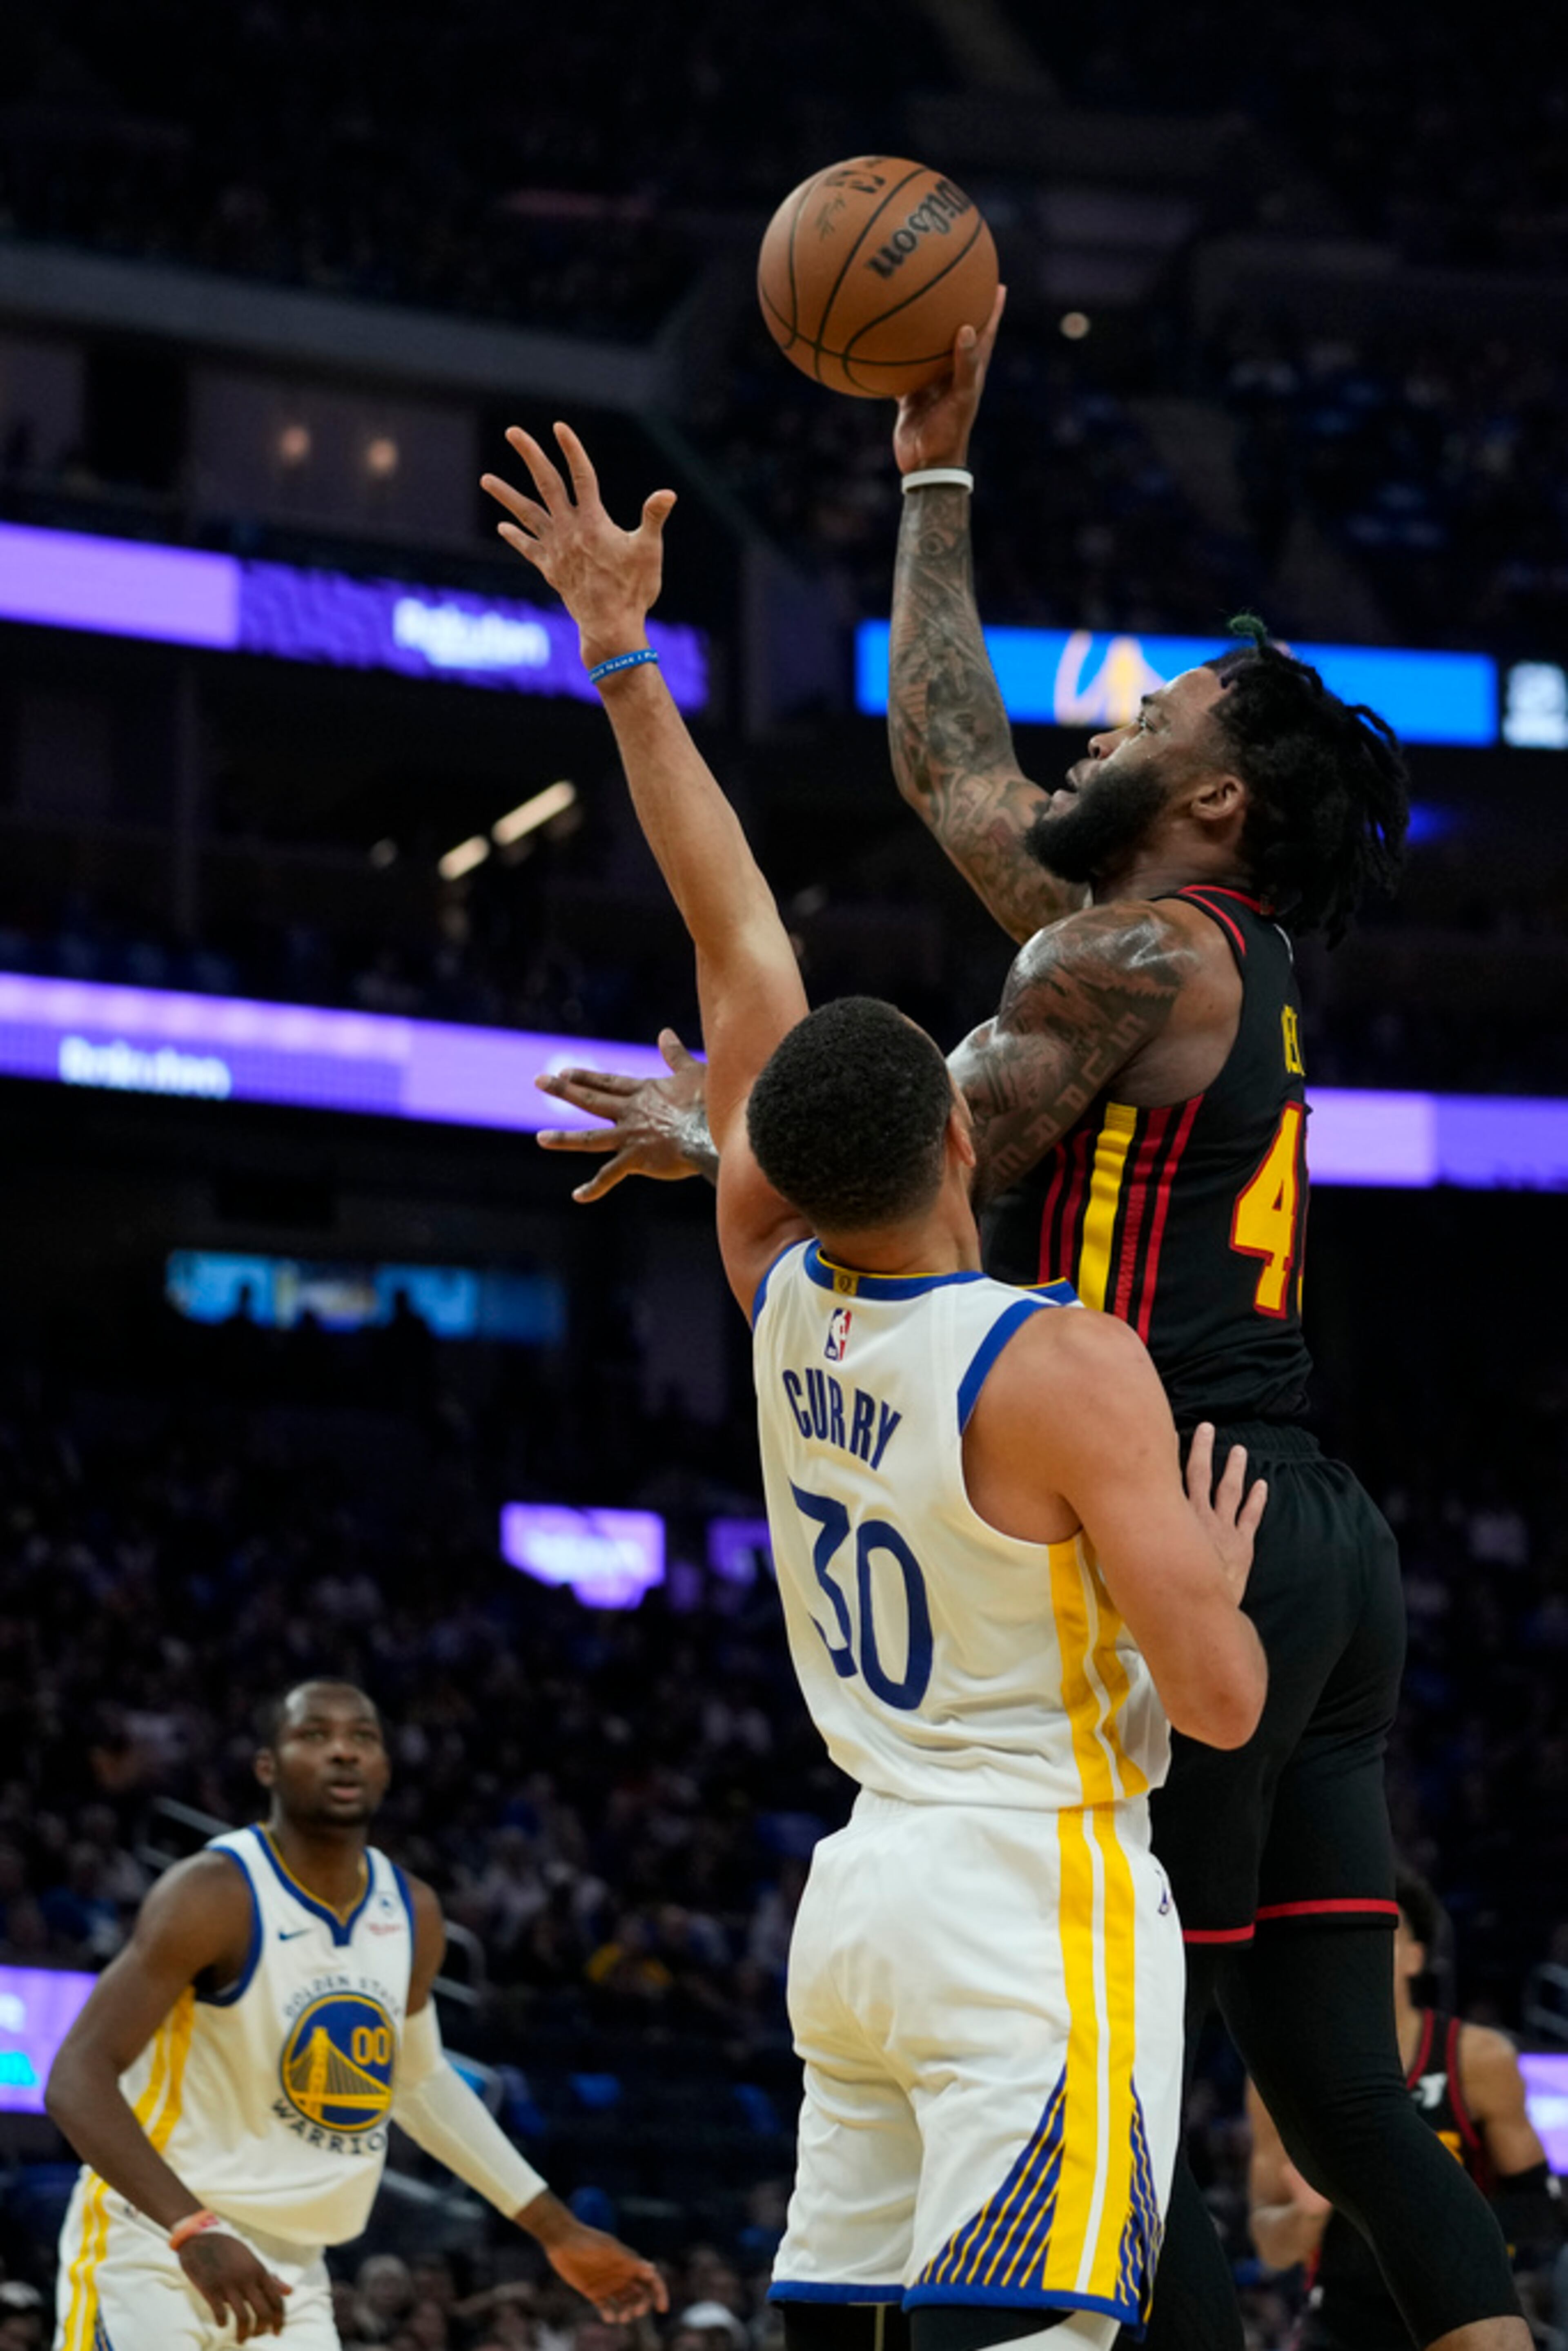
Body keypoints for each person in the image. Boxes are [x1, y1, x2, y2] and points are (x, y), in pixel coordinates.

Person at [520, 310, 1530, 2351]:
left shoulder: (1124, 953)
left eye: (1158, 706)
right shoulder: (1175, 946)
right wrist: (932, 475)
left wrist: (734, 1115)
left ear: (1221, 800)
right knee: (1348, 2086)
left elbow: (904, 1133)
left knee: (1128, 2071)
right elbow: (952, 770)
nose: (1117, 713)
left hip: (1167, 1508)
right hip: (1307, 1509)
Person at [482, 417, 1270, 2351]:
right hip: (1028, 1902)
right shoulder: (1068, 1365)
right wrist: (1217, 1585)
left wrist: (619, 660)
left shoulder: (768, 1275)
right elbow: (1227, 1706)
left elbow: (728, 918)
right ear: (954, 1128)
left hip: (858, 1909)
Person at [46, 1679, 666, 2349]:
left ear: (385, 1767)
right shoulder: (213, 1893)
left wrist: (557, 2228)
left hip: (292, 2266)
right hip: (157, 2243)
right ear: (268, 1766)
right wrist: (191, 2227)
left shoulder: (413, 1912)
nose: (342, 1752)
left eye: (361, 1737)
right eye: (314, 1735)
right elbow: (75, 2076)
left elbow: (422, 2085)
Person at [1247, 1868, 1561, 2348]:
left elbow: (1538, 2209)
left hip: (1461, 2314)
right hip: (1340, 2324)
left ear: (1416, 1957)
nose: (1363, 1953)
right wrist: (1306, 2216)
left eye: (1383, 1937)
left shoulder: (1477, 2059)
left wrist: (1434, 2232)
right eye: (1346, 1939)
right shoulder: (1284, 2071)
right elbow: (1272, 2251)